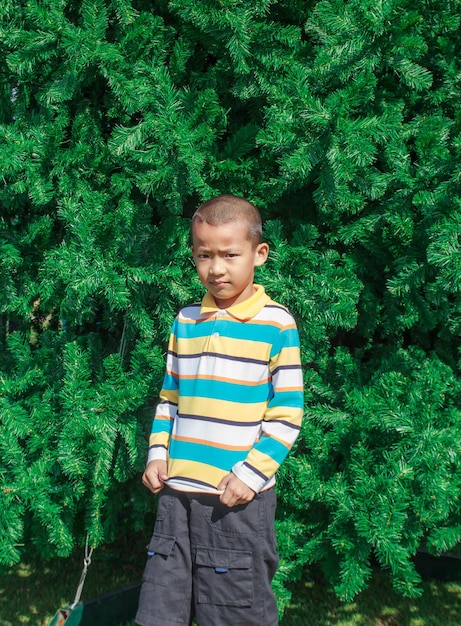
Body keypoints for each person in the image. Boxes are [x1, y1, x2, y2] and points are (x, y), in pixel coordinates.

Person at [136, 194, 304, 626]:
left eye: (230, 255)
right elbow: (169, 398)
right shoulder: (185, 320)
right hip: (176, 496)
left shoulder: (276, 323)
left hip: (235, 504)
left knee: (234, 614)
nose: (216, 268)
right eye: (204, 255)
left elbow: (287, 414)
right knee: (159, 610)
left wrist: (249, 476)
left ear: (259, 254)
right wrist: (158, 455)